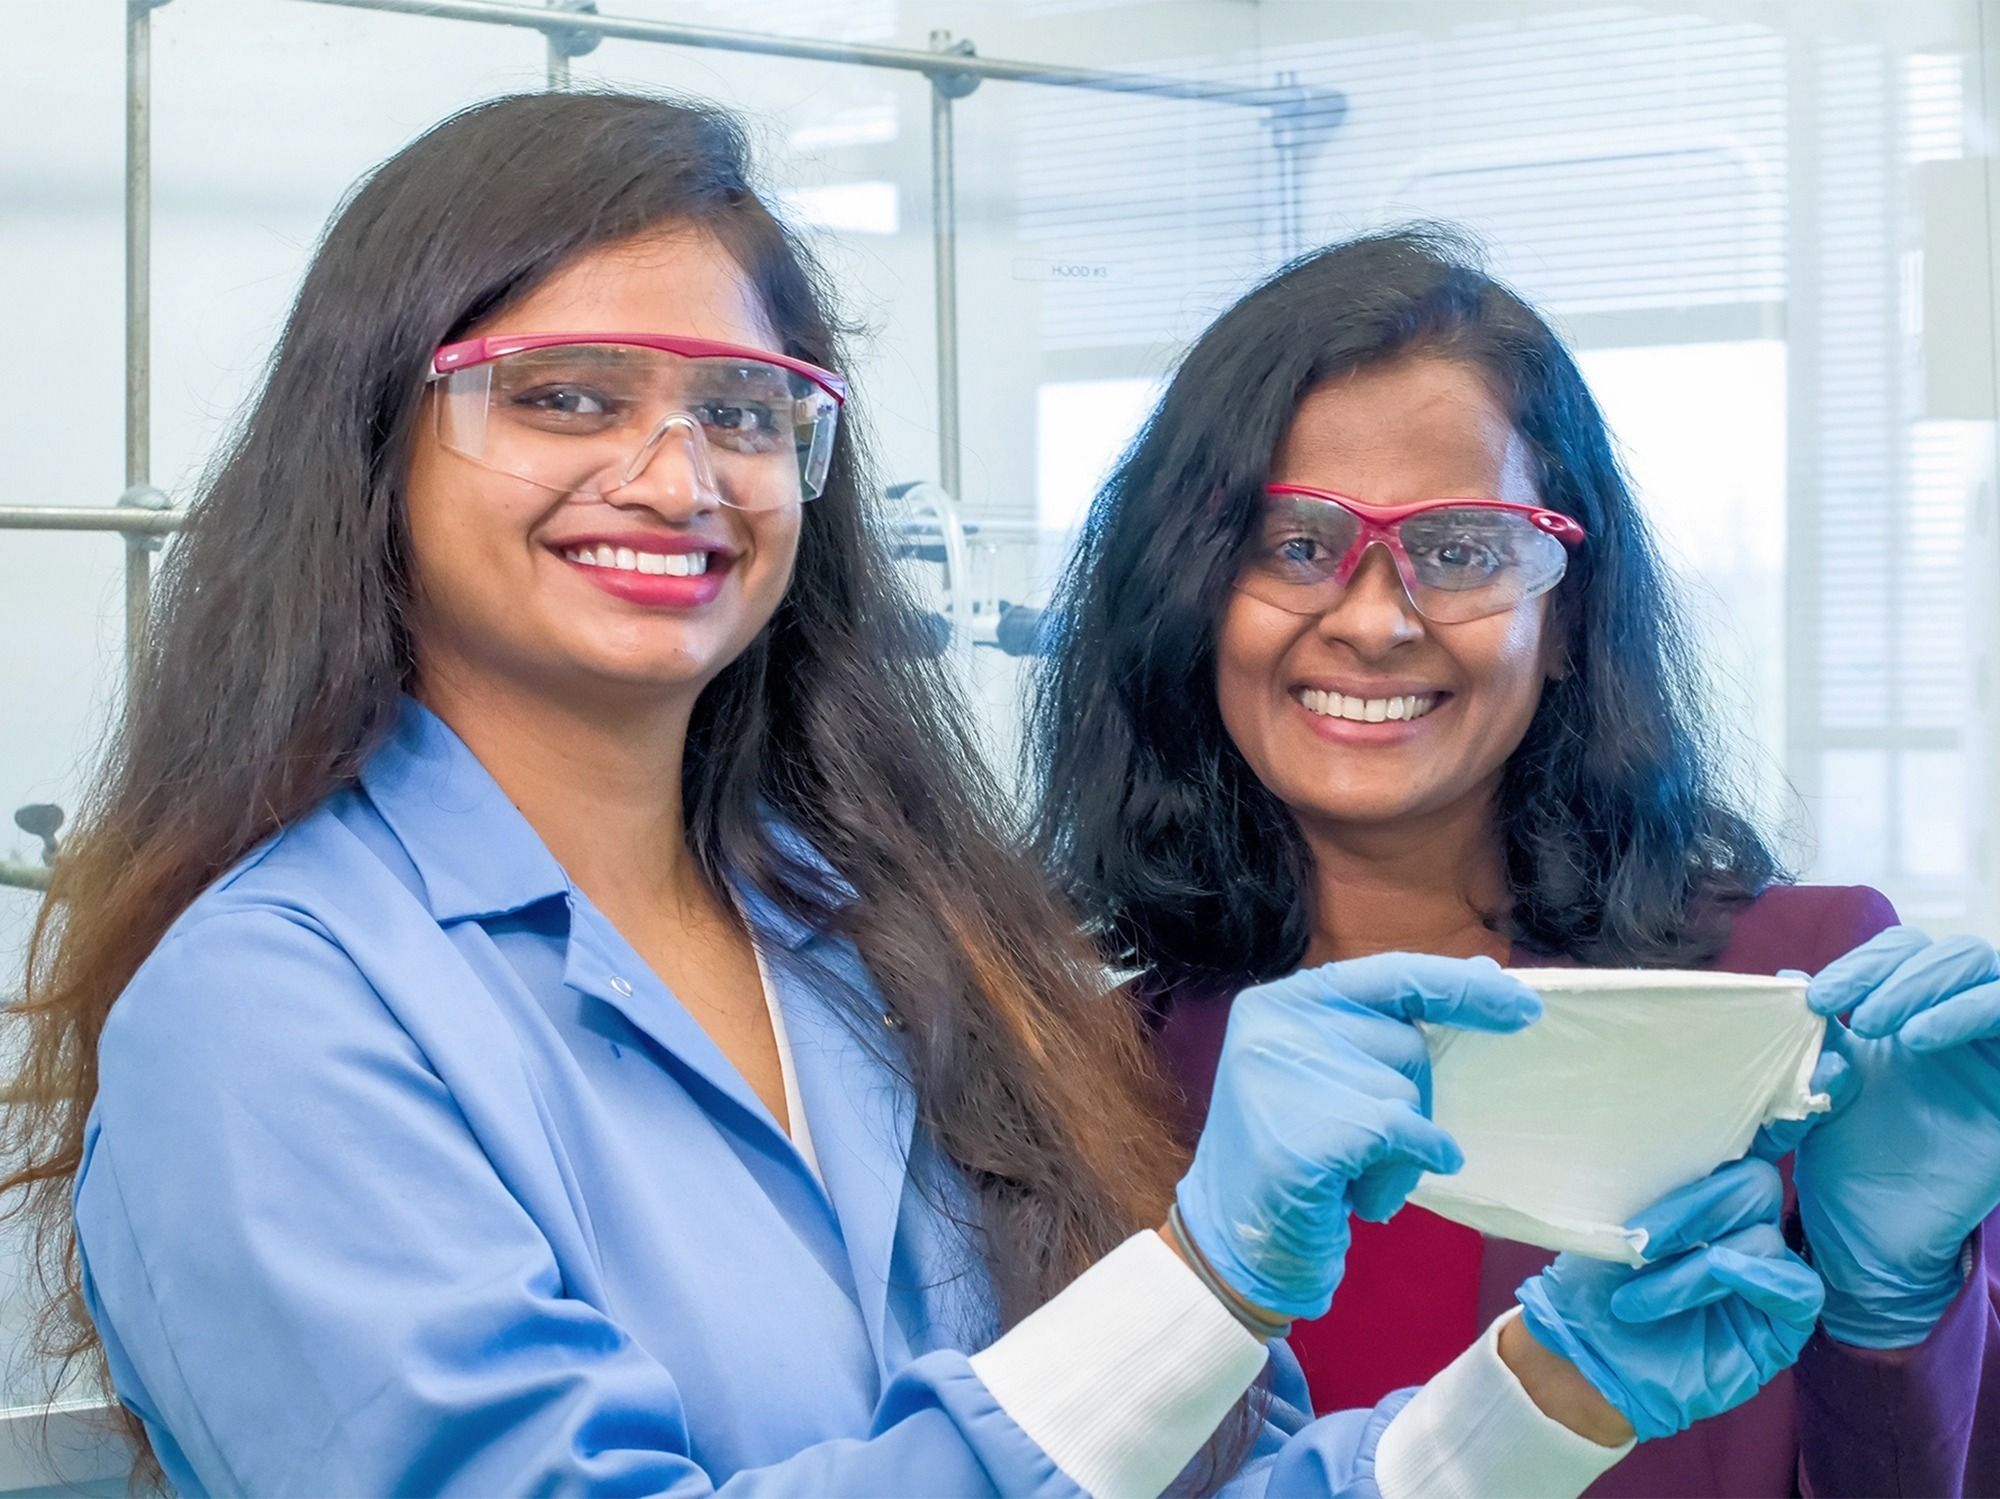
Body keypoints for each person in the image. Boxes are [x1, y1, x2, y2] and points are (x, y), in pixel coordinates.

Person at [0, 100, 1818, 1498]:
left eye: (747, 407)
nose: (672, 470)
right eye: (559, 395)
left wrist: (1544, 1392)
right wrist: (1188, 1283)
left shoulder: (885, 941)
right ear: (371, 445)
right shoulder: (271, 1011)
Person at [1030, 226, 2000, 1496]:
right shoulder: (1083, 1075)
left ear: (1566, 620)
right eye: (1294, 543)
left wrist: (1893, 1316)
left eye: (1458, 548)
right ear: (1189, 598)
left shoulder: (1790, 995)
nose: (1374, 619)